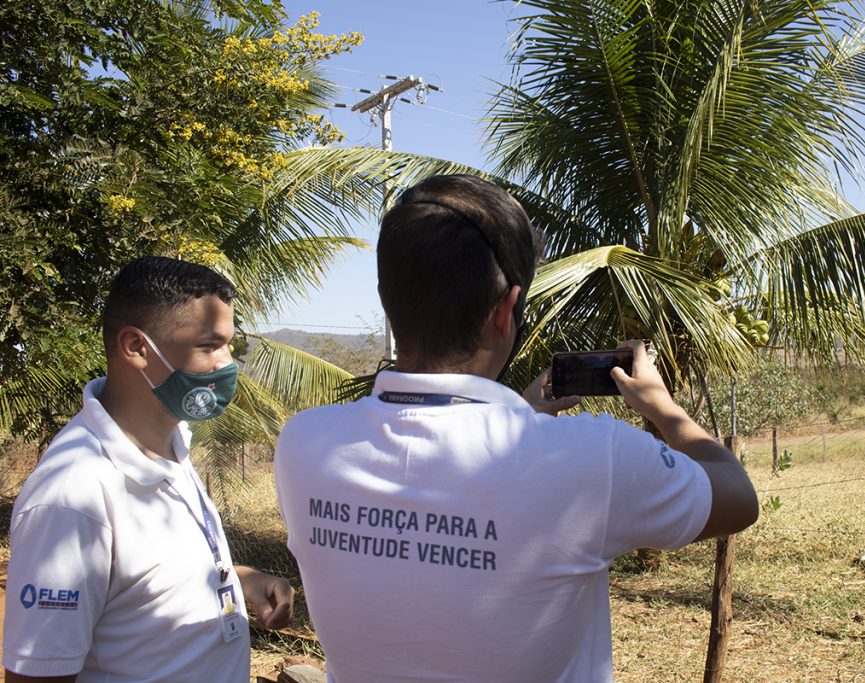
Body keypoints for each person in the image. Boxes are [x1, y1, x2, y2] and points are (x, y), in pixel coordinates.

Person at [274, 174, 758, 682]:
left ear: (387, 299)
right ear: (506, 310)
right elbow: (737, 497)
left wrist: (524, 415)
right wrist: (663, 407)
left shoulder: (303, 444)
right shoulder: (594, 458)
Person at [3, 256, 295, 683]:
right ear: (137, 348)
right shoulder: (73, 496)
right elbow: (38, 676)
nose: (226, 364)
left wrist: (241, 579)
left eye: (228, 345)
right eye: (208, 346)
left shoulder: (171, 446)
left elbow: (146, 583)